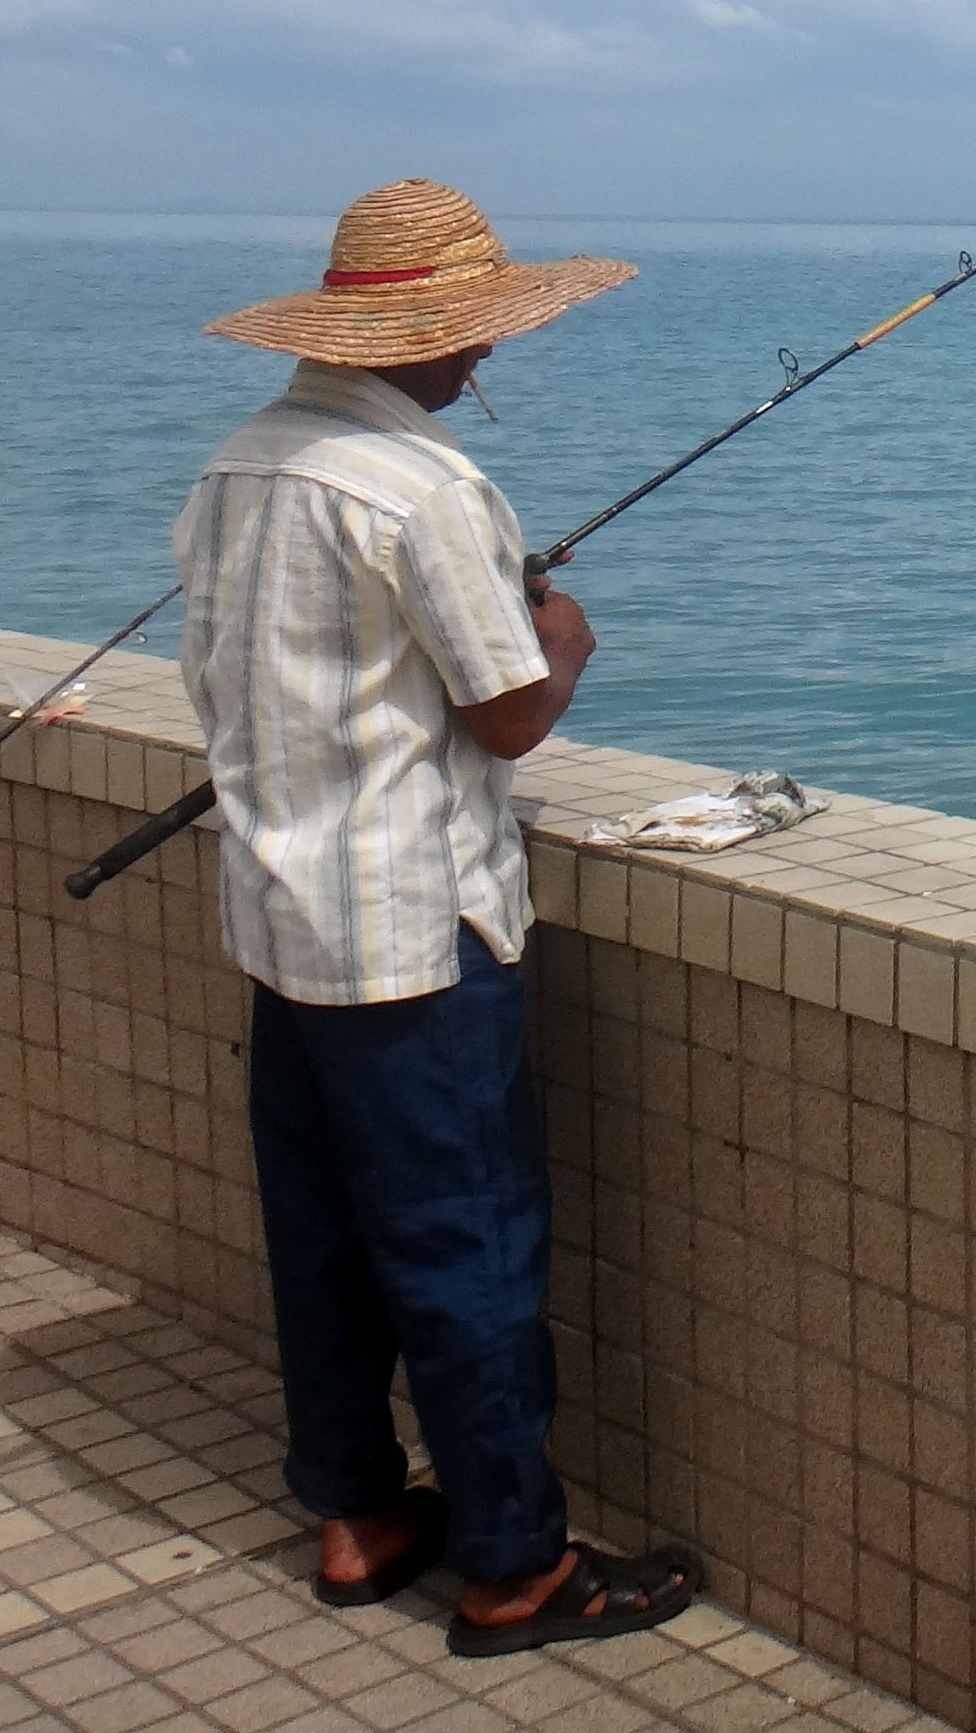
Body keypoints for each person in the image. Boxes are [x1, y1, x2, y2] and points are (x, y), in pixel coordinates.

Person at [173, 178, 697, 1655]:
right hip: (414, 937)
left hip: (281, 921)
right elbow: (509, 713)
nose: (485, 354)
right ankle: (516, 1568)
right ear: (417, 337)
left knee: (324, 1242)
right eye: (471, 331)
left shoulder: (239, 466)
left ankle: (356, 1517)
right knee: (467, 1250)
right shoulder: (425, 491)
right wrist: (563, 633)